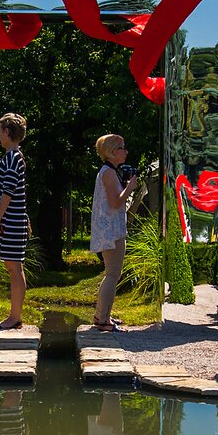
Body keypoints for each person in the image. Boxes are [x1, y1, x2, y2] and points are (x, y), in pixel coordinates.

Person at [0, 112, 29, 330]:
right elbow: (2, 184)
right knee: (12, 266)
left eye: (0, 131)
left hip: (11, 221)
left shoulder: (13, 158)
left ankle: (15, 316)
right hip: (11, 220)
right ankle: (14, 315)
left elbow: (8, 193)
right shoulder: (11, 158)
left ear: (7, 132)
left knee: (14, 267)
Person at [90, 134, 139, 331]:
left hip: (110, 229)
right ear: (112, 151)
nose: (125, 151)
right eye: (122, 148)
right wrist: (129, 188)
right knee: (112, 274)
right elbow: (116, 202)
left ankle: (103, 315)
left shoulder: (109, 171)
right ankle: (103, 320)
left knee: (111, 274)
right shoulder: (109, 173)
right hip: (111, 231)